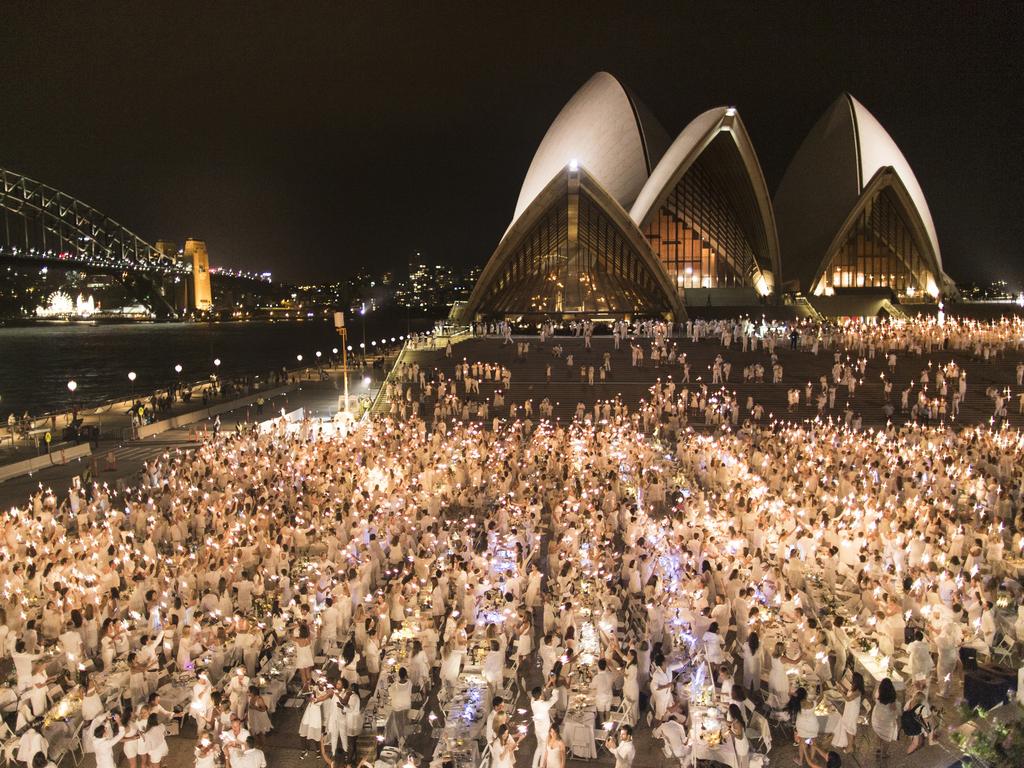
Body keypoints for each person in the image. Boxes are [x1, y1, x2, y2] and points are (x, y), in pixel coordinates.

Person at [830, 672, 864, 753]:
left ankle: (850, 747)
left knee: (849, 728)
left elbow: (848, 699)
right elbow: (848, 694)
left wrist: (840, 691)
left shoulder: (858, 691)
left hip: (852, 712)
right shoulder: (854, 687)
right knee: (847, 726)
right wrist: (841, 688)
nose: (851, 679)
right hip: (849, 709)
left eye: (853, 678)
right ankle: (850, 744)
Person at [871, 678, 899, 747]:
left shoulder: (878, 692)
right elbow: (893, 709)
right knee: (887, 736)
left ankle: (878, 748)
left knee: (879, 733)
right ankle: (884, 753)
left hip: (877, 715)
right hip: (887, 718)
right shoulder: (892, 695)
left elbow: (874, 699)